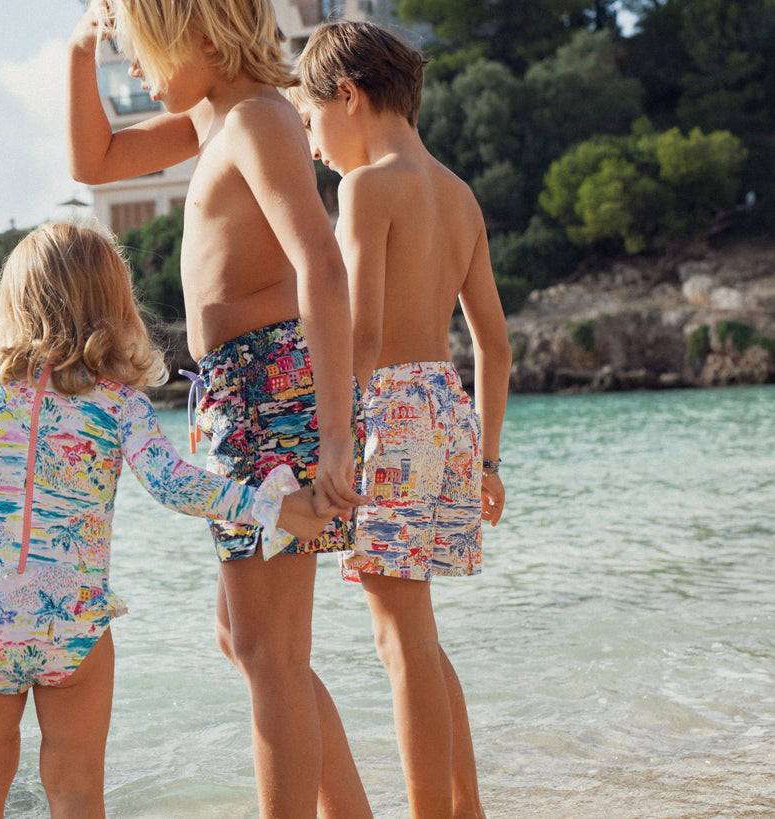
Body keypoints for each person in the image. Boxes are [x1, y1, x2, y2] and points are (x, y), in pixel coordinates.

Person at [0, 221, 333, 819]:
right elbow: (173, 484)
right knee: (76, 789)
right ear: (114, 304)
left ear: (12, 301)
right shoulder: (119, 400)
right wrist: (270, 505)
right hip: (73, 621)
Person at [67, 1, 372, 815]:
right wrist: (78, 49)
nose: (131, 71)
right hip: (234, 393)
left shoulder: (261, 121)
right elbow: (92, 162)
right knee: (247, 641)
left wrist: (339, 432)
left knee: (270, 650)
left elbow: (322, 266)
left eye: (139, 53)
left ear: (200, 37)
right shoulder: (213, 120)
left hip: (271, 390)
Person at [292, 20, 511, 818]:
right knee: (419, 632)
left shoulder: (366, 186)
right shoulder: (459, 193)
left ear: (347, 96)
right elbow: (495, 343)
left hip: (390, 412)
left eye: (313, 123)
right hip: (449, 413)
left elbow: (365, 333)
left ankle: (430, 812)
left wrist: (334, 435)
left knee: (399, 639)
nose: (313, 147)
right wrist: (488, 461)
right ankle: (464, 806)